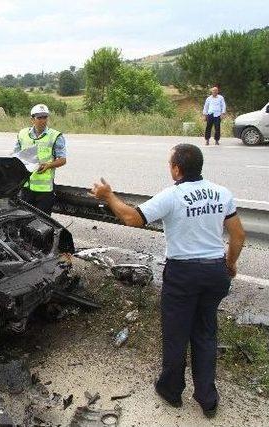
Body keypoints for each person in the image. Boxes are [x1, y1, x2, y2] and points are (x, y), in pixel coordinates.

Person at [89, 143, 245, 418]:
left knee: (176, 333)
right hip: (214, 273)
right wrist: (229, 263)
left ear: (177, 169)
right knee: (206, 332)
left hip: (183, 274)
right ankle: (208, 398)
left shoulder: (173, 196)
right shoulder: (222, 193)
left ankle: (171, 391)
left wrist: (108, 195)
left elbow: (132, 218)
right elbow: (238, 235)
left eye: (170, 163)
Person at [13, 104, 67, 214]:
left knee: (43, 224)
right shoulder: (22, 134)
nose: (43, 120)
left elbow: (62, 160)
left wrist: (48, 165)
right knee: (25, 221)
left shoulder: (55, 136)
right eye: (39, 118)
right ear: (32, 119)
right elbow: (16, 156)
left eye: (45, 117)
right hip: (26, 187)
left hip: (45, 190)